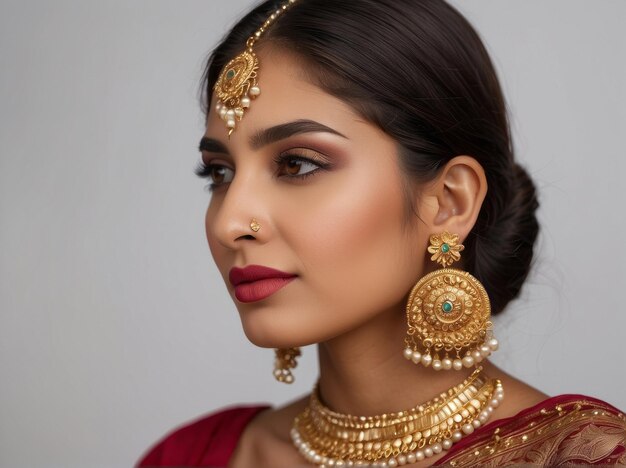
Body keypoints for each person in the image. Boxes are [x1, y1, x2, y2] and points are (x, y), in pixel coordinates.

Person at [136, 0, 626, 466]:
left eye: (297, 164)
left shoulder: (575, 458)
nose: (228, 224)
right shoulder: (190, 457)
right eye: (219, 173)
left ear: (450, 202)